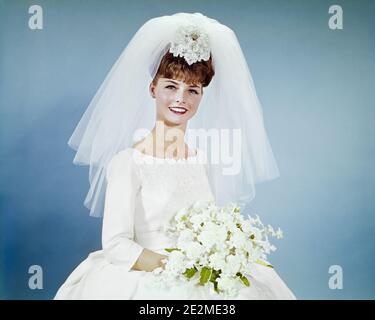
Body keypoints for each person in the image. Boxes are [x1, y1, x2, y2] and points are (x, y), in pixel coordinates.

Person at [54, 12, 296, 299]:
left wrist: (225, 252)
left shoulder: (202, 160)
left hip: (202, 272)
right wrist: (179, 266)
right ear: (153, 89)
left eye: (192, 90)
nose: (181, 99)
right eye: (171, 86)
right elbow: (116, 244)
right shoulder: (127, 162)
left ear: (200, 98)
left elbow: (210, 227)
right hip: (150, 278)